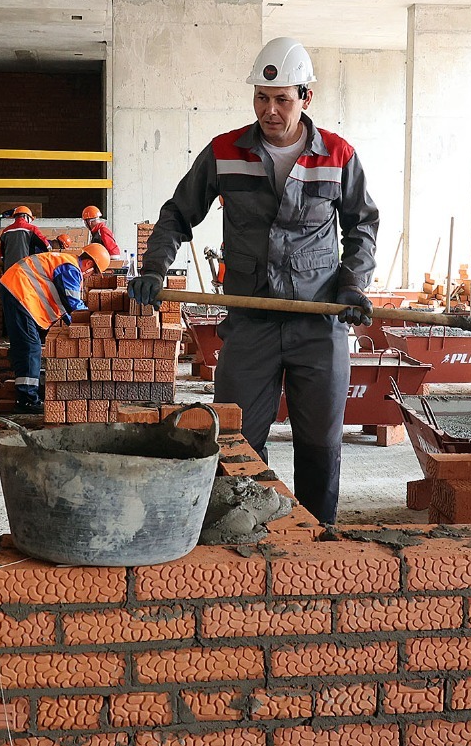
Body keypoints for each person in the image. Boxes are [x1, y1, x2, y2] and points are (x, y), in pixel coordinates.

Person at [129, 37, 379, 525]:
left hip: (318, 324)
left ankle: (315, 539)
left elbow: (362, 225)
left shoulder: (338, 156)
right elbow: (178, 214)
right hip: (250, 323)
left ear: (306, 97)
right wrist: (155, 268)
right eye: (262, 99)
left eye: (282, 99)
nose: (270, 110)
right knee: (234, 440)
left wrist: (353, 284)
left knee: (320, 445)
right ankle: (240, 540)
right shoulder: (225, 152)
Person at [1, 243, 111, 414]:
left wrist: (74, 325)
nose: (91, 276)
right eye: (94, 272)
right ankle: (27, 400)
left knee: (27, 344)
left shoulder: (66, 263)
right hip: (19, 291)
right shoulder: (71, 268)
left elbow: (63, 304)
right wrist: (90, 325)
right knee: (31, 347)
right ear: (89, 264)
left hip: (18, 289)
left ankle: (27, 388)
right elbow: (73, 304)